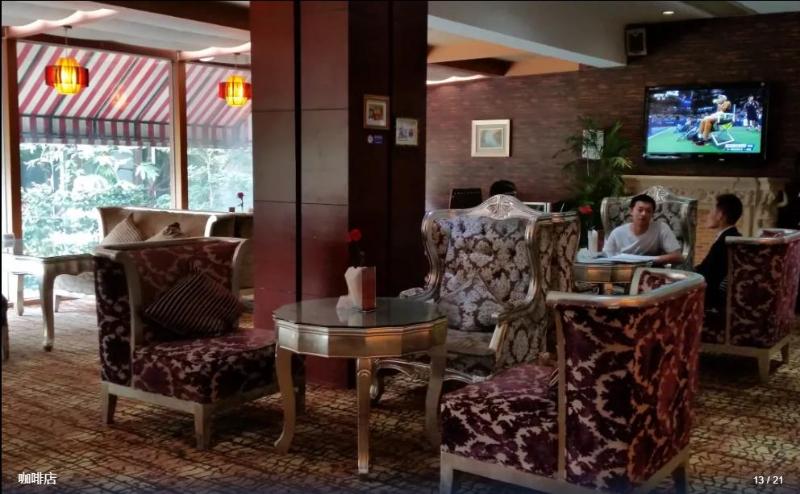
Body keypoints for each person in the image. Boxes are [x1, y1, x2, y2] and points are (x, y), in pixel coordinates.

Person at [602, 194, 682, 265]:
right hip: (624, 271)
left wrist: (651, 260)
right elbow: (605, 257)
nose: (644, 214)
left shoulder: (661, 228)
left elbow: (678, 257)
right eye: (640, 210)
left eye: (648, 211)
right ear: (631, 211)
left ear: (652, 214)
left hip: (652, 271)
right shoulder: (617, 233)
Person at [694, 194, 742, 309]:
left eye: (711, 211)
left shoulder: (724, 243)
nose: (708, 215)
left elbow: (708, 274)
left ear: (720, 215)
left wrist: (685, 274)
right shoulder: (734, 236)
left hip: (712, 301)